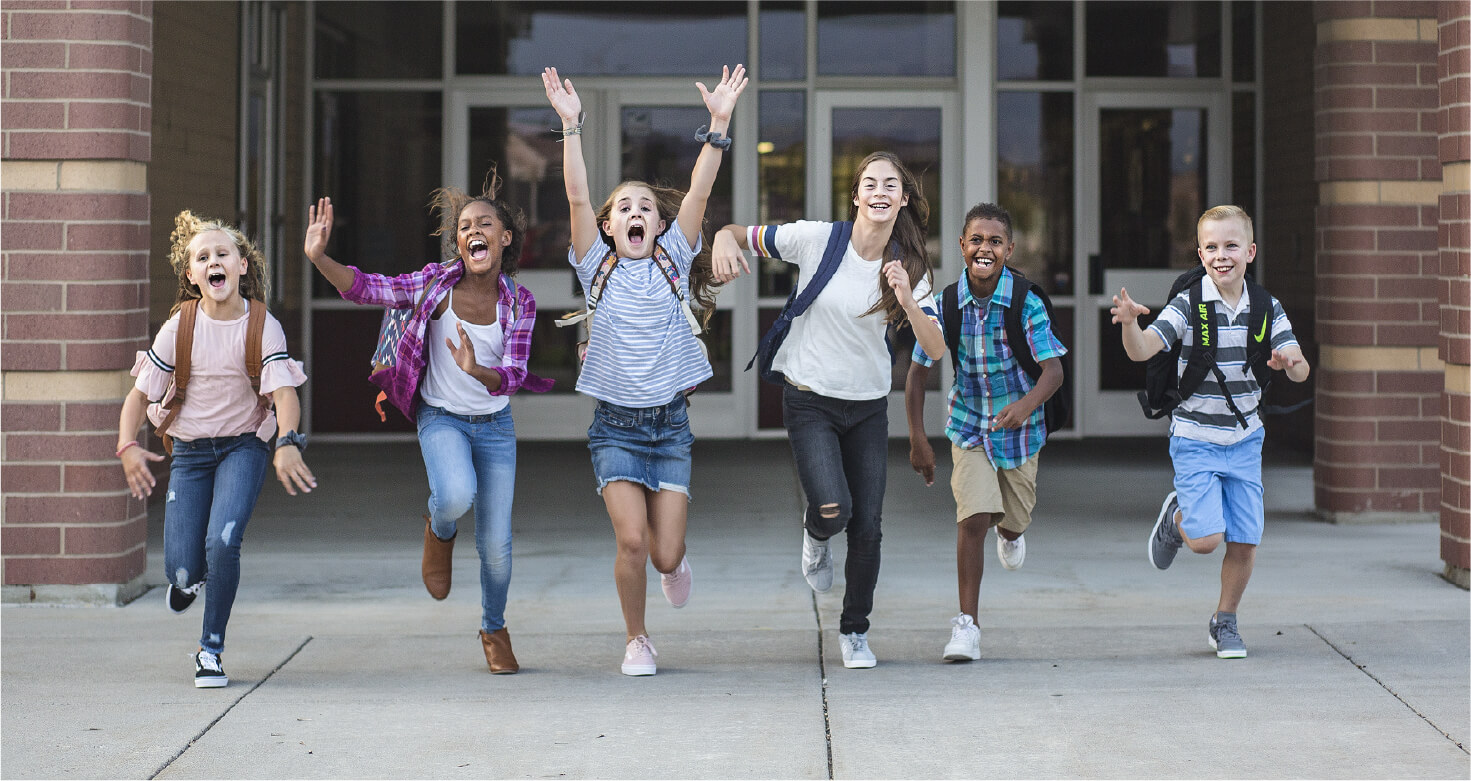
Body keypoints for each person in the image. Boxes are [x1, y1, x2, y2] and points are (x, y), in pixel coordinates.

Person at [302, 170, 552, 674]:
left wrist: (477, 370)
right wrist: (319, 259)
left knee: (497, 547)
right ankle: (439, 530)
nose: (473, 231)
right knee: (455, 496)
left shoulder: (518, 302)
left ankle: (494, 629)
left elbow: (514, 376)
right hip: (441, 418)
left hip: (495, 427)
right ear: (458, 243)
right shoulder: (434, 284)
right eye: (464, 227)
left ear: (505, 239)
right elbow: (370, 289)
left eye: (485, 224)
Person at [542, 64, 746, 676]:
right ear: (609, 227)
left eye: (647, 208)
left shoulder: (673, 260)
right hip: (615, 429)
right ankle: (637, 639)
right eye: (624, 208)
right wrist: (571, 127)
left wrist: (719, 123)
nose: (636, 213)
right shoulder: (596, 267)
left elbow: (700, 192)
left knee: (664, 554)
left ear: (659, 225)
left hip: (670, 428)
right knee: (631, 541)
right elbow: (577, 195)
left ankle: (673, 565)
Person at [711, 151, 946, 669]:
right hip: (810, 400)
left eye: (891, 184)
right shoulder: (818, 239)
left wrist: (907, 300)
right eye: (870, 183)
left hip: (867, 408)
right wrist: (724, 239)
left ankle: (854, 631)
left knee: (869, 528)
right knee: (834, 510)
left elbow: (935, 347)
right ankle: (816, 532)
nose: (880, 191)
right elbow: (738, 234)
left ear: (903, 199)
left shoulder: (908, 267)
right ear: (856, 196)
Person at [118, 210, 316, 688]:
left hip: (243, 447)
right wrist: (127, 446)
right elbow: (139, 397)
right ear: (192, 275)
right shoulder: (179, 327)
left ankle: (210, 650)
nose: (213, 262)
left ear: (242, 265)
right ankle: (190, 579)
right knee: (181, 567)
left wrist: (287, 441)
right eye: (202, 257)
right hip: (190, 453)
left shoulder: (262, 324)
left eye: (222, 253)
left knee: (223, 542)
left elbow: (284, 393)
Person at [1111, 204, 1310, 659]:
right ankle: (1176, 519)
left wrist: (1290, 363)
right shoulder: (1189, 304)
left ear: (1250, 252)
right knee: (1205, 542)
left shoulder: (1266, 307)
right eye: (1212, 247)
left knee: (1244, 538)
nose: (1222, 255)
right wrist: (1131, 325)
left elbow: (1300, 368)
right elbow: (1143, 350)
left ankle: (1225, 620)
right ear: (1200, 255)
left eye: (1231, 246)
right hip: (1196, 436)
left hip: (1245, 438)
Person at [903, 203, 1066, 662]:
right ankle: (967, 626)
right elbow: (917, 374)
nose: (985, 248)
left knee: (1013, 519)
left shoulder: (1025, 302)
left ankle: (1011, 534)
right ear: (962, 246)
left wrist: (1024, 406)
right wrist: (918, 438)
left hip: (1021, 429)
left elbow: (1053, 371)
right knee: (972, 519)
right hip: (969, 424)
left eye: (995, 241)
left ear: (1009, 250)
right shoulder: (945, 304)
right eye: (976, 239)